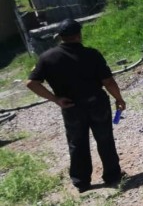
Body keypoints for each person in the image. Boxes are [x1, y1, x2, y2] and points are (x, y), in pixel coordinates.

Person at [26, 18, 125, 193]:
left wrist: (56, 99)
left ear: (60, 37)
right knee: (105, 139)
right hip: (97, 104)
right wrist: (119, 99)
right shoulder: (92, 54)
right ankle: (112, 176)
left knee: (77, 143)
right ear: (79, 35)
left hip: (71, 107)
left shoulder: (47, 58)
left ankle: (81, 182)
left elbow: (32, 83)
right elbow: (108, 81)